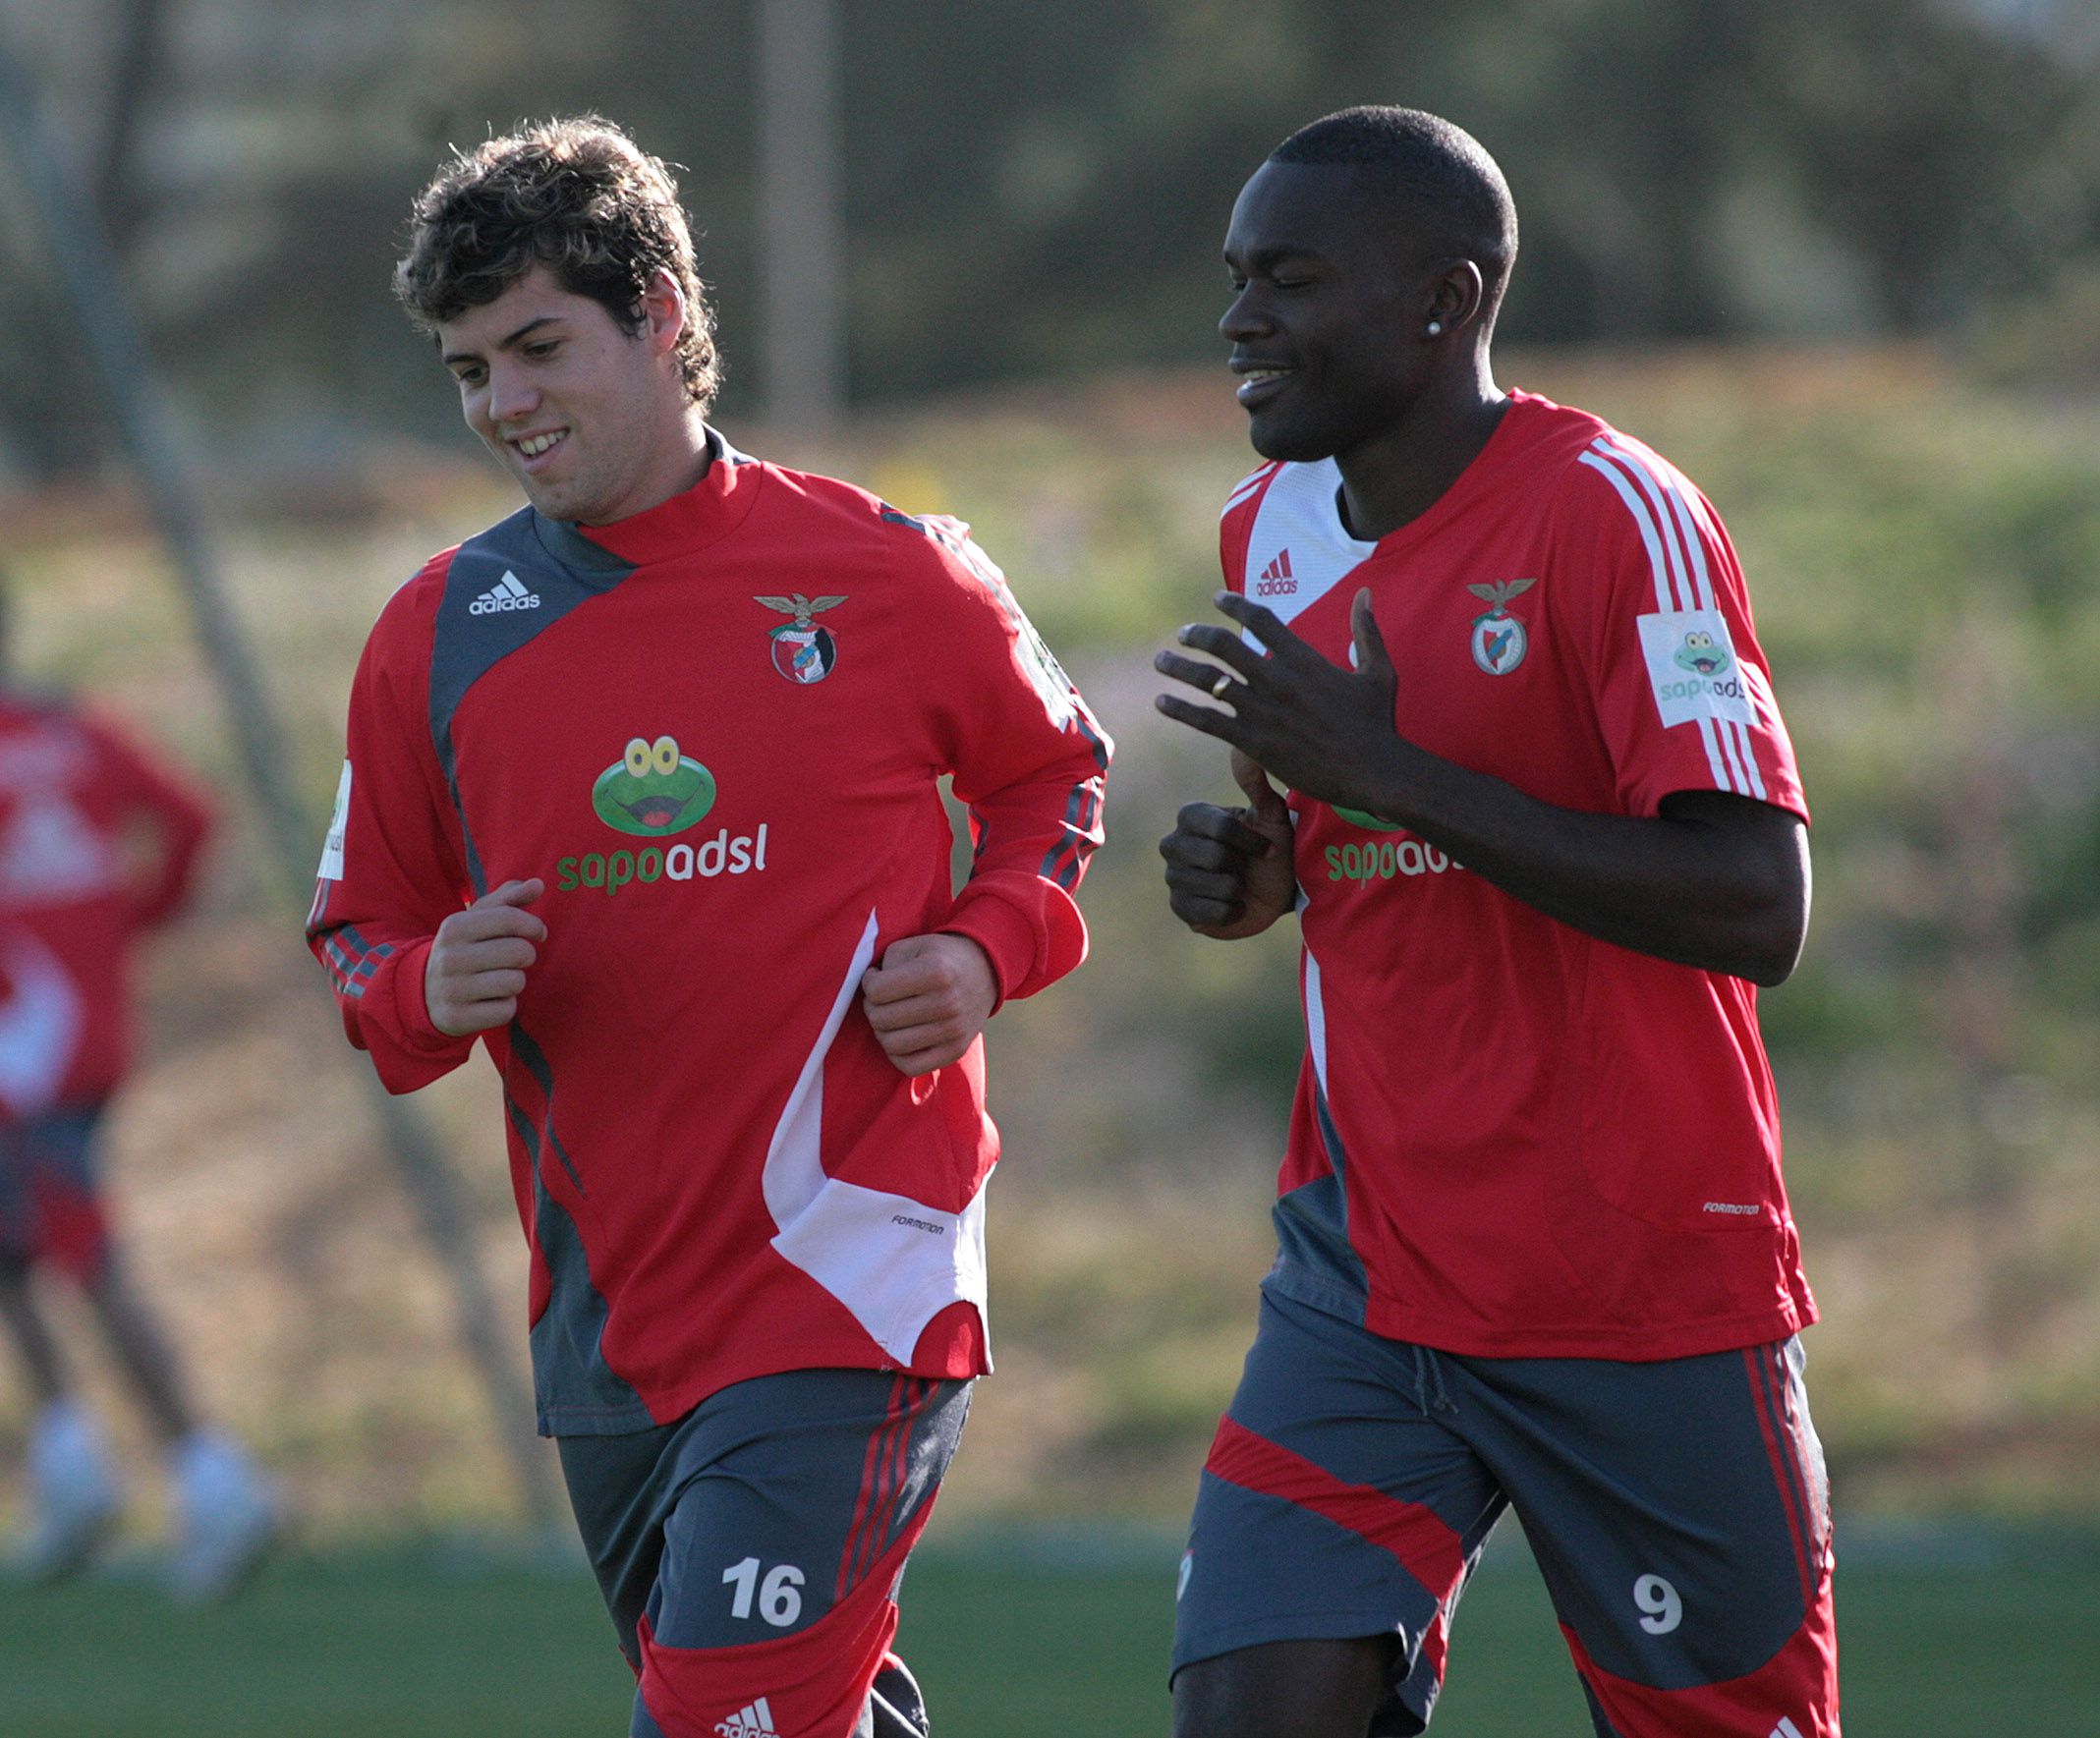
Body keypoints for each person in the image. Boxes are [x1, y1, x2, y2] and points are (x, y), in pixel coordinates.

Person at [308, 116, 1109, 1738]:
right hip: (613, 1324)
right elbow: (362, 937)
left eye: (539, 346)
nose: (504, 403)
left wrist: (984, 944)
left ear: (661, 310)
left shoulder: (894, 573)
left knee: (724, 1720)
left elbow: (1054, 774)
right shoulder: (434, 634)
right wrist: (426, 981)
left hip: (848, 1274)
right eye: (470, 371)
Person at [1154, 107, 1836, 1738]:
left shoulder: (1618, 514)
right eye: (1238, 278)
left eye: (1291, 278)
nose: (1242, 318)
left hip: (1634, 1283)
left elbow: (1755, 900)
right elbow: (1342, 841)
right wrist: (1264, 875)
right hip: (1361, 1278)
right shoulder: (1268, 533)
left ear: (1444, 302)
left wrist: (1385, 776)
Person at [0, 589, 280, 1601]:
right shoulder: (71, 728)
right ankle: (70, 1465)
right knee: (17, 1245)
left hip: (23, 1043)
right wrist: (129, 918)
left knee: (80, 1248)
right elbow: (193, 820)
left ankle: (212, 1471)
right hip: (82, 1021)